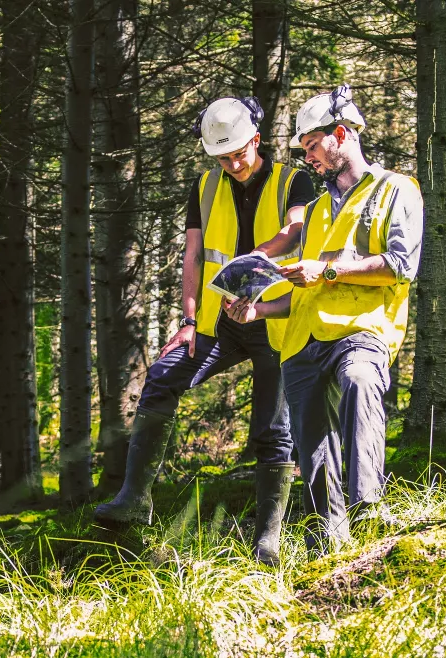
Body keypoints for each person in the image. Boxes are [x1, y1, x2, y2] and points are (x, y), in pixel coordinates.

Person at [95, 96, 318, 567]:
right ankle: (135, 500)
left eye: (239, 153)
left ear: (256, 140)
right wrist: (189, 319)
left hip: (274, 318)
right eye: (223, 157)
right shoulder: (204, 186)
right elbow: (192, 255)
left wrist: (254, 259)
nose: (233, 164)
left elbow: (297, 231)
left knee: (273, 431)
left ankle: (267, 541)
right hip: (219, 322)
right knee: (162, 377)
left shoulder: (292, 179)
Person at [226, 85, 424, 550]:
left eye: (313, 146)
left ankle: (369, 513)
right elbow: (307, 291)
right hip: (301, 342)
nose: (308, 158)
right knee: (312, 448)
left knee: (358, 382)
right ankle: (328, 542)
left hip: (362, 331)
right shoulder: (313, 212)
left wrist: (328, 268)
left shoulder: (396, 189)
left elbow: (400, 264)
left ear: (340, 135)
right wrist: (257, 309)